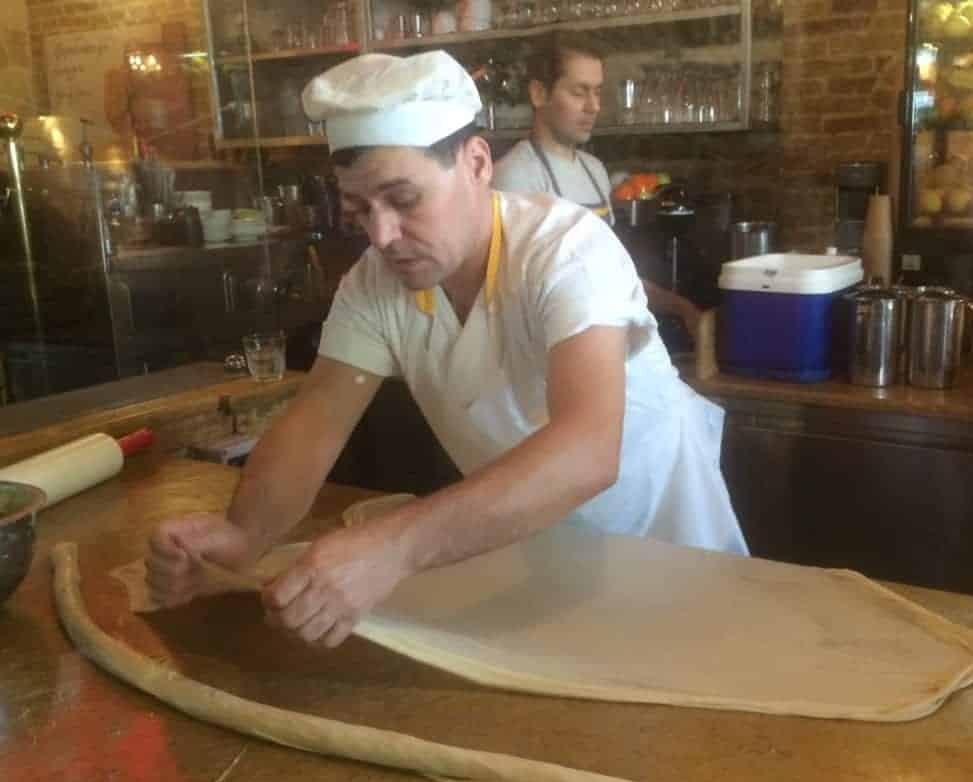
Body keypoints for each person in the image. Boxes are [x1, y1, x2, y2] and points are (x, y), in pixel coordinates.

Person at [146, 51, 747, 650]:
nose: (382, 236)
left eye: (404, 200)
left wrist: (394, 548)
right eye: (359, 211)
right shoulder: (375, 283)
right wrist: (243, 537)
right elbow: (316, 420)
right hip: (529, 557)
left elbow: (589, 450)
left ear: (477, 163)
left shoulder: (565, 251)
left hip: (667, 555)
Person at [492, 34, 700, 339]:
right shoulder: (515, 177)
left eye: (597, 92)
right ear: (539, 94)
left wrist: (680, 307)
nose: (593, 107)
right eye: (579, 92)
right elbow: (511, 295)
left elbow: (612, 273)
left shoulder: (595, 171)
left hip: (602, 335)